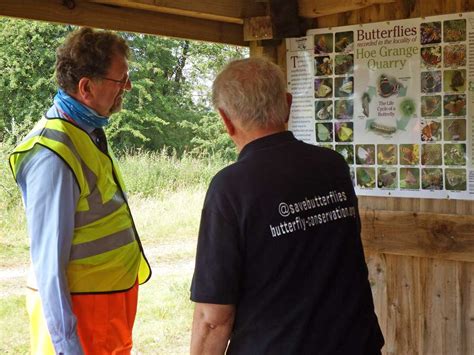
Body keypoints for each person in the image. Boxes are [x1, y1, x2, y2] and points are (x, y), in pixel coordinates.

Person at [190, 57, 384, 354]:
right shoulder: (332, 166)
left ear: (226, 120)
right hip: (355, 343)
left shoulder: (231, 188)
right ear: (288, 104)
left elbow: (213, 318)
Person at [9, 27, 151, 354]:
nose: (127, 87)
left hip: (102, 316)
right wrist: (67, 346)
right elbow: (49, 265)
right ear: (86, 87)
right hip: (81, 324)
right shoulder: (53, 154)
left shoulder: (85, 131)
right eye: (120, 80)